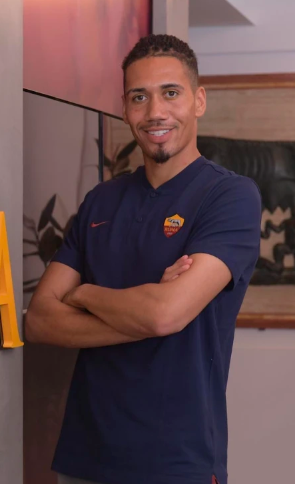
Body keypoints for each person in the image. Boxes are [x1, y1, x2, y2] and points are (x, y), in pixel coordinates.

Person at [24, 34, 262, 484]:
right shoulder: (101, 201)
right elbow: (39, 321)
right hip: (85, 458)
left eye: (170, 93)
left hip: (177, 462)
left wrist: (84, 293)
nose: (155, 112)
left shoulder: (229, 197)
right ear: (124, 108)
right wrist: (149, 311)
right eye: (139, 97)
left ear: (198, 101)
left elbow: (164, 315)